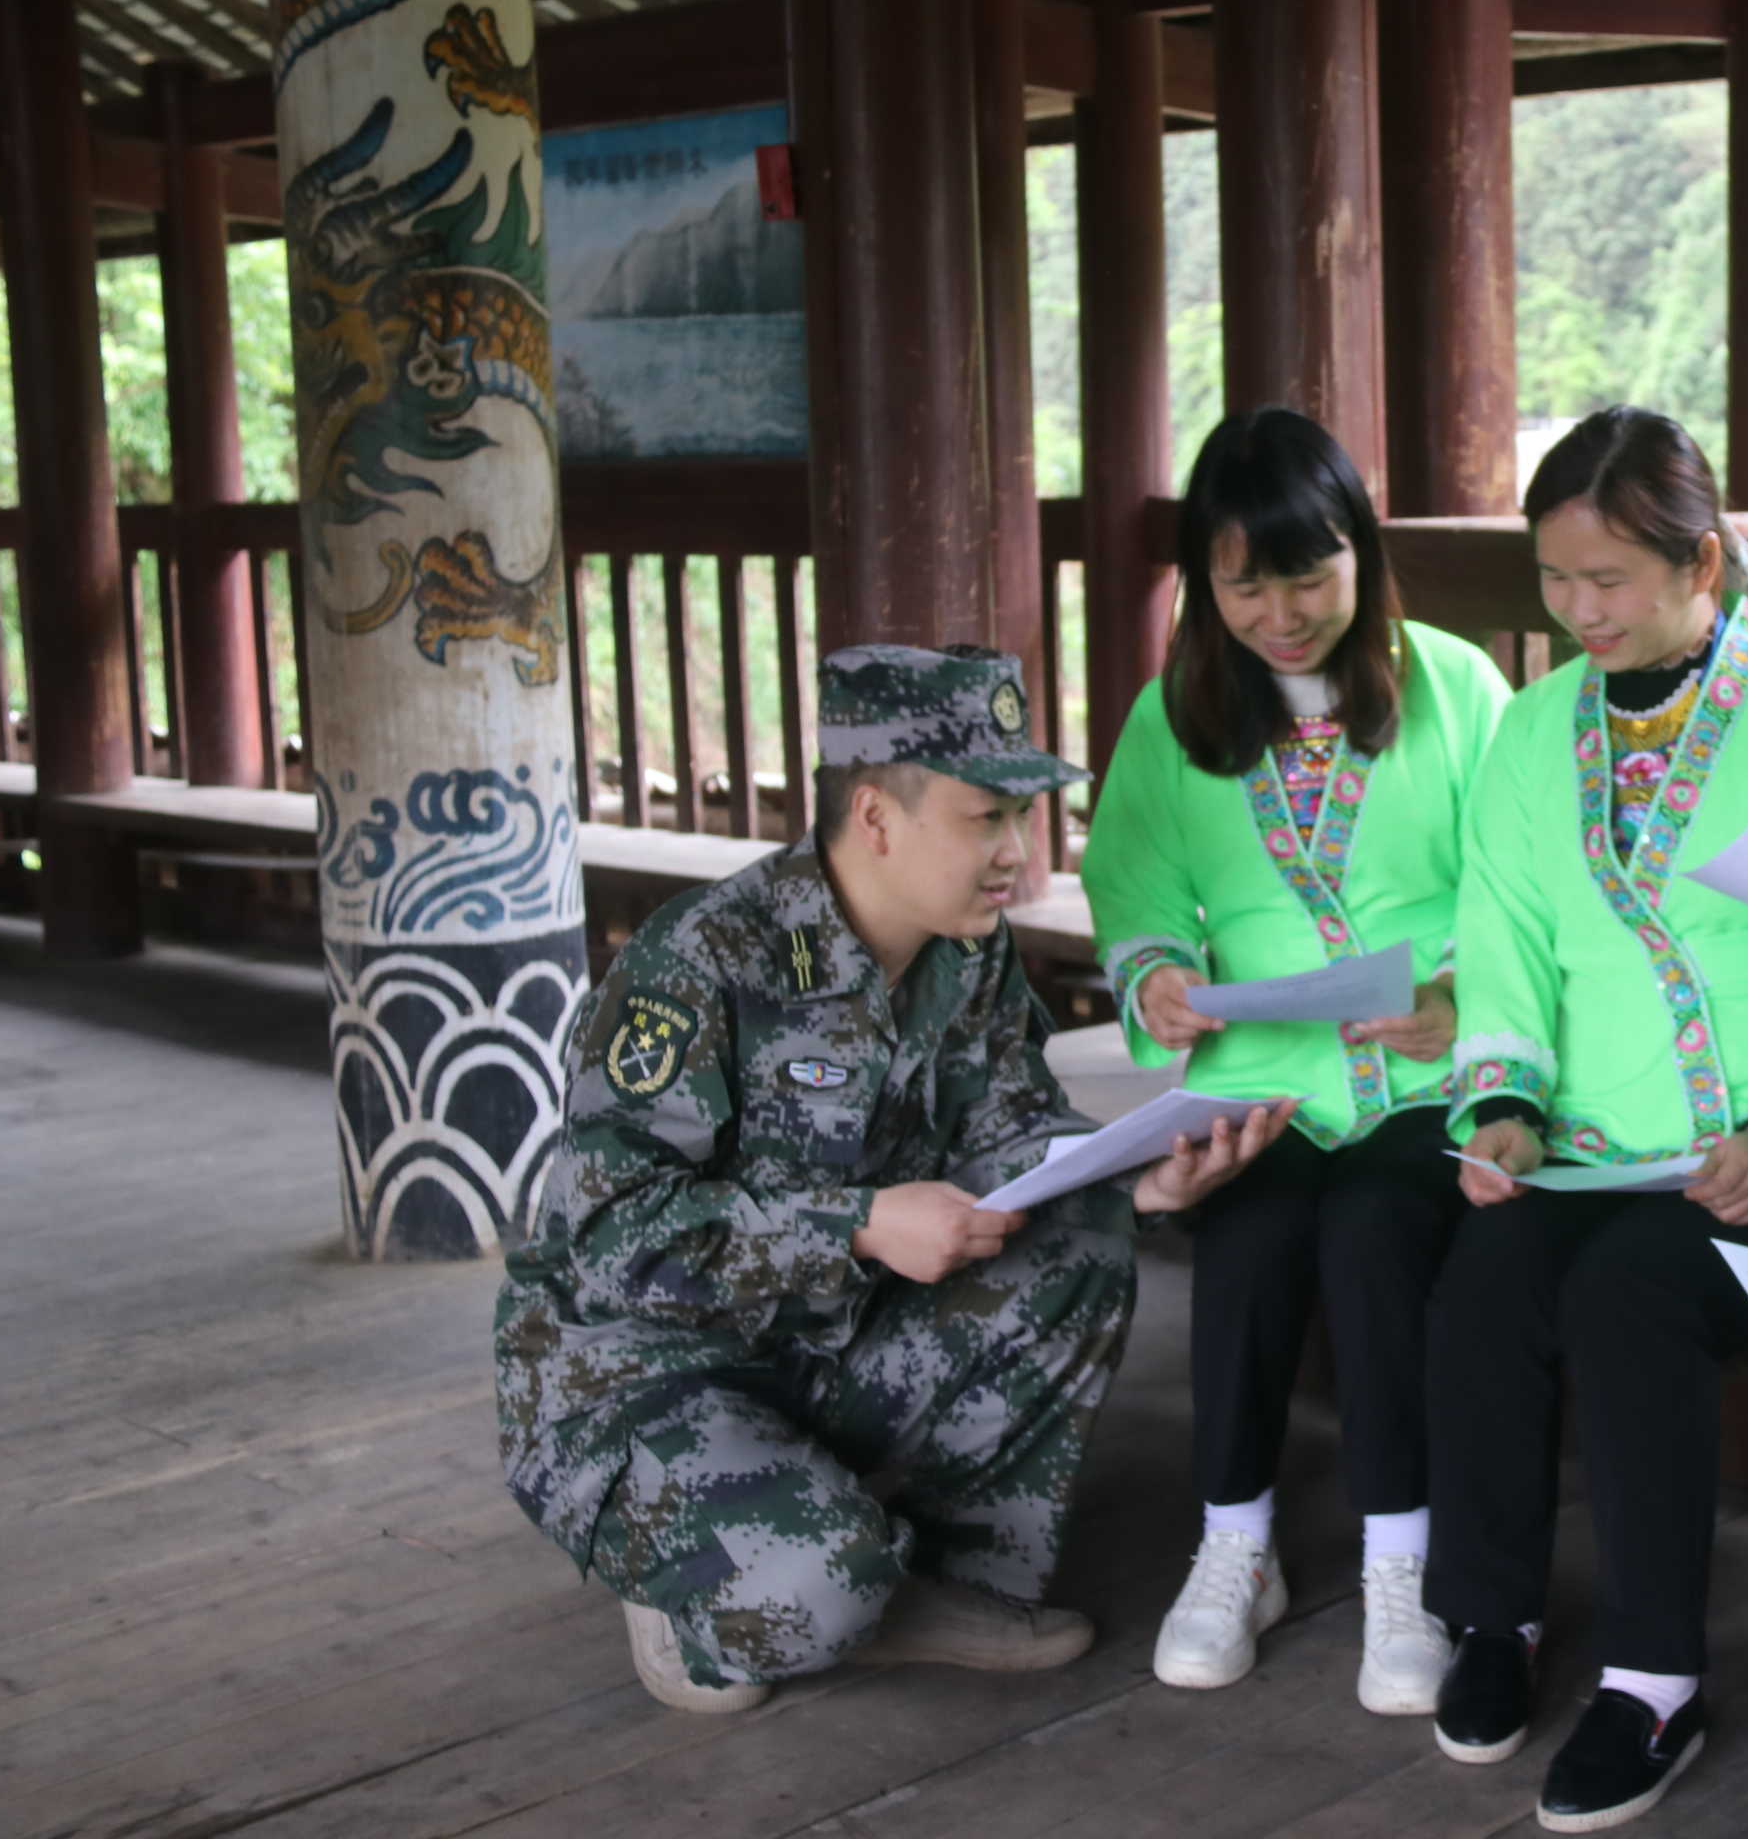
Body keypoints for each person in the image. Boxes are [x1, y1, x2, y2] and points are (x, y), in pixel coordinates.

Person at [492, 644, 1291, 1713]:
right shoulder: (706, 960)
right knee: (810, 1593)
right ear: (875, 818)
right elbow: (608, 1235)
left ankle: (936, 1584)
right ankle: (695, 1578)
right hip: (647, 1373)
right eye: (985, 819)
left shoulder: (970, 954)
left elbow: (1014, 1129)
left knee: (1082, 1245)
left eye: (1024, 818)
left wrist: (1136, 1185)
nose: (1019, 853)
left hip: (830, 1340)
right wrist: (858, 1224)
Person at [1426, 406, 1748, 1832]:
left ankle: (1651, 1681)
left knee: (1633, 1298)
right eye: (1557, 583)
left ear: (1702, 564)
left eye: (1608, 584)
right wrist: (1504, 1105)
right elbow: (1500, 932)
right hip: (1588, 1150)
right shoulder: (1529, 730)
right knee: (1485, 1282)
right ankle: (1491, 1619)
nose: (1578, 615)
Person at [1083, 407, 1512, 1713]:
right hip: (1262, 1074)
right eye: (1245, 581)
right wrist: (1152, 975)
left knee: (1381, 1225)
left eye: (1309, 572)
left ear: (1362, 557)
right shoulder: (1177, 712)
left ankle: (1403, 1561)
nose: (1281, 610)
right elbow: (1136, 880)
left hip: (1425, 1074)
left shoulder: (1456, 688)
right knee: (1249, 1232)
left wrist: (1461, 998)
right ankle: (1236, 1546)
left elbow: (1521, 886)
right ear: (1205, 584)